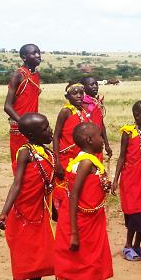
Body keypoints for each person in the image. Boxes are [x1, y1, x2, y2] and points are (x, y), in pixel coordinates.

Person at [53, 122, 113, 280]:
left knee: (88, 268)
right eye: (99, 135)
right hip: (80, 224)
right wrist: (74, 233)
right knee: (78, 269)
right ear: (89, 140)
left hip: (91, 221)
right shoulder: (86, 162)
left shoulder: (90, 161)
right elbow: (74, 196)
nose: (102, 139)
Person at [0, 113, 56, 280]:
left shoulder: (47, 152)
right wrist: (4, 212)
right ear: (31, 134)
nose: (50, 131)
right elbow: (17, 184)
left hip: (40, 213)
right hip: (23, 215)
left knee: (38, 261)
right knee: (23, 263)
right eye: (45, 128)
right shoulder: (25, 153)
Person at [111, 101, 141, 261]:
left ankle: (137, 244)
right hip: (131, 179)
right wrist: (115, 179)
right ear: (137, 116)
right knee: (134, 213)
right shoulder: (129, 132)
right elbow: (122, 156)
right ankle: (128, 245)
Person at [53, 83, 92, 213]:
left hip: (81, 156)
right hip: (66, 157)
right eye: (75, 93)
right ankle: (63, 214)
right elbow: (56, 135)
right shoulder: (66, 111)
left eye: (82, 93)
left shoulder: (84, 111)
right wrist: (57, 161)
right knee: (65, 186)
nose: (79, 96)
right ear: (68, 96)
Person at [4, 43, 42, 171]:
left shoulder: (36, 75)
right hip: (20, 127)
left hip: (34, 127)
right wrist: (24, 123)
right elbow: (7, 106)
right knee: (20, 164)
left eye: (39, 52)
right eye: (33, 53)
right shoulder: (18, 75)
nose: (38, 55)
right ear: (24, 57)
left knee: (34, 164)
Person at [81, 76, 112, 158]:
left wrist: (107, 144)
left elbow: (101, 125)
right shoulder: (81, 104)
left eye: (96, 84)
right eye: (91, 85)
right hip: (85, 145)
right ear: (83, 87)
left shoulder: (97, 103)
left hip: (97, 142)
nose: (95, 86)